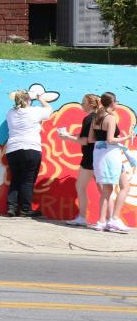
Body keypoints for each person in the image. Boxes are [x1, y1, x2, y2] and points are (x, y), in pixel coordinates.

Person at [3, 89, 52, 218]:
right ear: (28, 100)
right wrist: (40, 98)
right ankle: (25, 209)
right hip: (31, 148)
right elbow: (49, 110)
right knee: (27, 181)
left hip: (12, 149)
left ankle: (11, 208)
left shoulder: (9, 113)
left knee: (15, 178)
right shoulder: (34, 111)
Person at [90, 92, 132, 233]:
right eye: (117, 101)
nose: (117, 103)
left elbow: (91, 139)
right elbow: (110, 139)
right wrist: (126, 137)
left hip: (99, 155)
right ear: (112, 103)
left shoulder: (95, 117)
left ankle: (101, 222)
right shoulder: (111, 118)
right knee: (125, 186)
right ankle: (114, 218)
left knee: (106, 190)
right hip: (111, 155)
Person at [56, 93, 100, 227]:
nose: (81, 105)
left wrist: (66, 138)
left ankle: (82, 217)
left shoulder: (88, 119)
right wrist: (70, 134)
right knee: (103, 190)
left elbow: (84, 140)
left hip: (89, 158)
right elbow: (85, 136)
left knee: (80, 187)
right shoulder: (99, 118)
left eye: (83, 102)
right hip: (99, 156)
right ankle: (107, 219)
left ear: (90, 104)